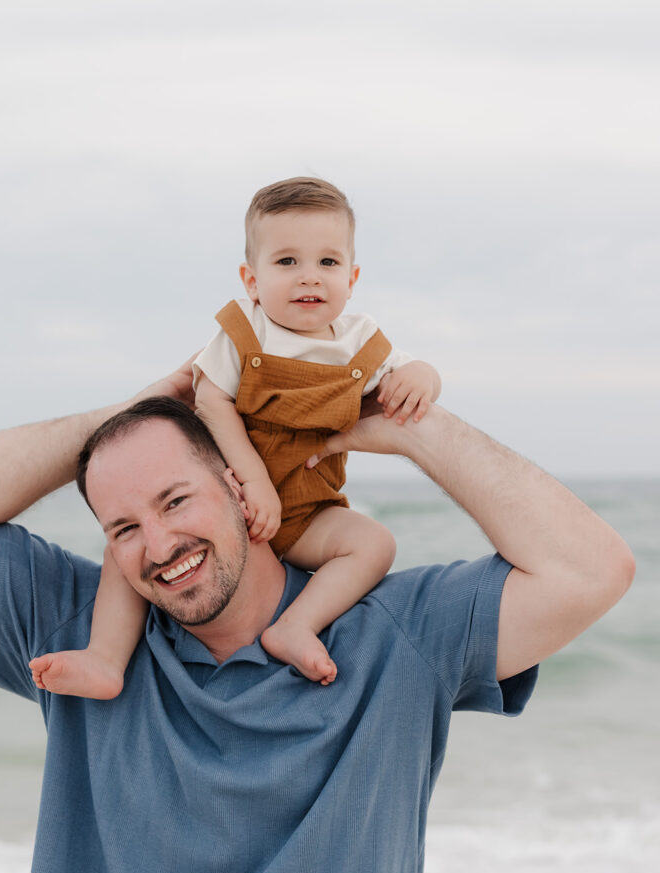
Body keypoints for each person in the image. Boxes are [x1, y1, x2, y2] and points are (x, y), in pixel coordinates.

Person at [0, 366, 634, 873]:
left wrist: (415, 429)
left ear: (244, 491)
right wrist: (132, 415)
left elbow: (590, 570)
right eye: (123, 526)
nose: (157, 545)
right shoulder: (82, 638)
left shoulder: (394, 638)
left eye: (176, 499)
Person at [29, 177, 441, 697]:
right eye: (287, 262)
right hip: (236, 502)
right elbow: (211, 402)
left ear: (353, 278)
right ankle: (106, 658)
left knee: (374, 543)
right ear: (251, 279)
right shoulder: (243, 334)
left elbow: (412, 369)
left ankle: (296, 625)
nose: (308, 278)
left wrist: (423, 377)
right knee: (129, 548)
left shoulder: (361, 342)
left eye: (328, 263)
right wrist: (255, 485)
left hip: (309, 511)